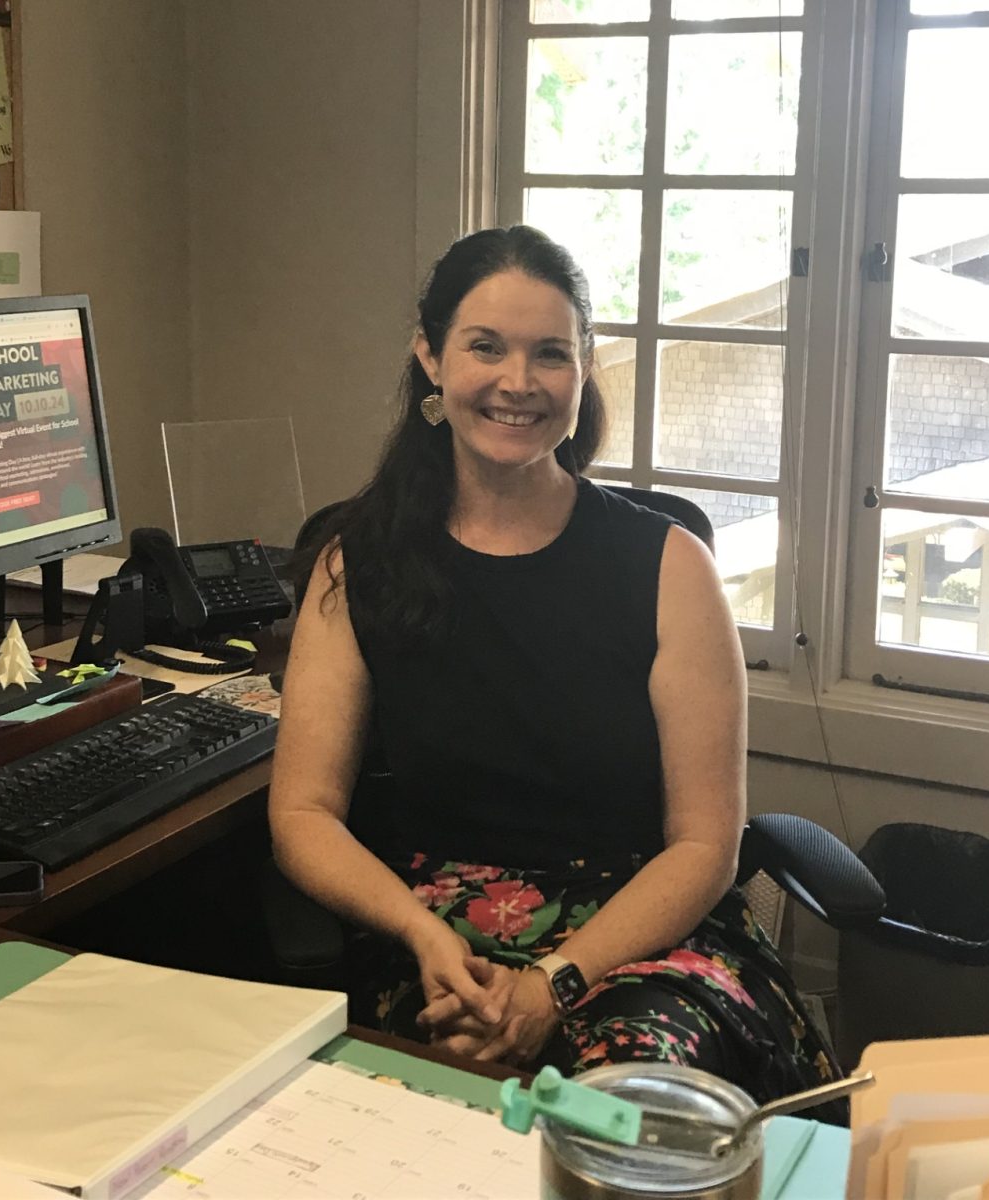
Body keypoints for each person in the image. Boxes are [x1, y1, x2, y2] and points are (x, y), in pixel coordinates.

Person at [268, 225, 842, 1109]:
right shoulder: (359, 566)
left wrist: (553, 987)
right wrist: (423, 938)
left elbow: (703, 844)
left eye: (550, 354)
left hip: (643, 940)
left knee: (625, 1101)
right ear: (429, 356)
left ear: (582, 371)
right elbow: (303, 812)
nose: (517, 383)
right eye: (484, 347)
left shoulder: (667, 566)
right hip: (439, 945)